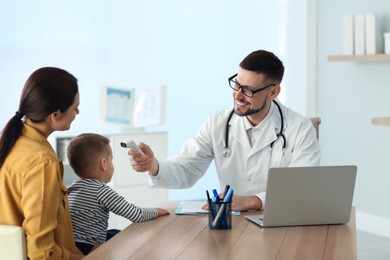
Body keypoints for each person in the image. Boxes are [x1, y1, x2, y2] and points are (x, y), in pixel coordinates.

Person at [128, 49, 320, 211]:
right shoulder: (218, 123)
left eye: (248, 90)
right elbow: (187, 168)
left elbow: (302, 188)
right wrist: (154, 166)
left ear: (273, 92)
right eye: (236, 84)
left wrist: (253, 201)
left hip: (279, 224)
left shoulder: (300, 129)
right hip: (230, 223)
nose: (237, 95)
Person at [0, 67, 83, 259]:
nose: (77, 112)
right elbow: (43, 252)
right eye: (75, 107)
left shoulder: (10, 143)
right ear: (55, 115)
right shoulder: (42, 162)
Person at [66, 133, 170, 255]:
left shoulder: (71, 189)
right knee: (127, 238)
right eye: (112, 160)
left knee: (115, 233)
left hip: (71, 245)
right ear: (103, 164)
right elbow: (135, 214)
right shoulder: (100, 191)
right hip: (88, 247)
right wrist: (156, 211)